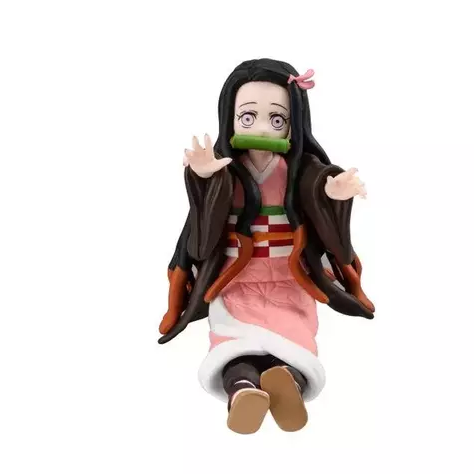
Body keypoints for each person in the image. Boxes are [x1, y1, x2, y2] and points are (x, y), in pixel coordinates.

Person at [158, 58, 375, 434]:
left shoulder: (300, 170)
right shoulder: (225, 170)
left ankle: (285, 382)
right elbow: (202, 222)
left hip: (290, 281)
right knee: (232, 346)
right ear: (230, 118)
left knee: (295, 344)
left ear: (294, 123)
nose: (261, 128)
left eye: (276, 119)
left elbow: (318, 182)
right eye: (248, 117)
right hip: (237, 281)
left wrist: (333, 191)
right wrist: (203, 176)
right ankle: (243, 389)